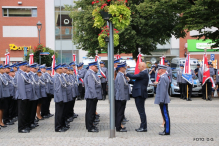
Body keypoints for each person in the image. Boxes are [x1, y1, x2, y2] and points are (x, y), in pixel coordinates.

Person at [126, 62, 148, 132]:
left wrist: (126, 73)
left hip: (140, 94)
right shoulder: (143, 74)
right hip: (139, 94)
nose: (138, 68)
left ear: (142, 66)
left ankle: (143, 127)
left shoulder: (144, 73)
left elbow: (133, 76)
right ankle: (143, 126)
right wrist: (129, 80)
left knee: (141, 111)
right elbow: (137, 82)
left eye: (139, 66)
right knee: (141, 111)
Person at [84, 61, 102, 132]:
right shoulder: (90, 74)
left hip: (92, 96)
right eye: (96, 66)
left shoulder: (93, 73)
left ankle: (91, 125)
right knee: (90, 112)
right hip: (91, 96)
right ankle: (90, 127)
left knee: (91, 111)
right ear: (91, 67)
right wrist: (94, 96)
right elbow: (91, 87)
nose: (97, 68)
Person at [15, 61, 33, 133]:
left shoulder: (24, 74)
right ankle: (21, 128)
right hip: (22, 97)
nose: (27, 67)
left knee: (25, 112)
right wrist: (24, 97)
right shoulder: (19, 74)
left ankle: (25, 125)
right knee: (22, 113)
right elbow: (21, 87)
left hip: (26, 96)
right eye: (25, 66)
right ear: (22, 66)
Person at [154, 64, 170, 136]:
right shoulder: (163, 77)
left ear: (162, 70)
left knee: (165, 115)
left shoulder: (163, 77)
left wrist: (162, 100)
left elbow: (163, 90)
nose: (158, 71)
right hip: (162, 99)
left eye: (159, 69)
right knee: (165, 114)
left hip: (163, 100)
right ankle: (166, 130)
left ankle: (167, 131)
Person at [53, 64, 67, 132]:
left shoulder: (60, 76)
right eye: (61, 68)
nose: (62, 69)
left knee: (62, 113)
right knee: (59, 113)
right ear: (57, 70)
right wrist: (60, 98)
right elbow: (57, 89)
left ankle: (61, 125)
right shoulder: (56, 77)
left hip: (62, 97)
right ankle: (58, 127)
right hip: (59, 98)